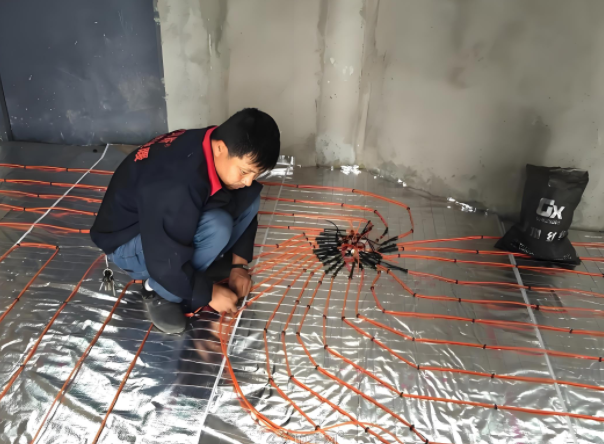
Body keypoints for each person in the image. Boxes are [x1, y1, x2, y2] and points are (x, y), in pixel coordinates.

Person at [90, 108, 280, 334]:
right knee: (216, 227)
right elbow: (163, 255)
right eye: (244, 171)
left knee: (249, 198)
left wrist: (239, 266)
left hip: (164, 222)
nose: (248, 180)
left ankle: (193, 272)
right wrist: (208, 293)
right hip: (130, 243)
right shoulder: (176, 184)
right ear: (220, 148)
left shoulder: (213, 143)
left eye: (255, 174)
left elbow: (246, 191)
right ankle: (158, 291)